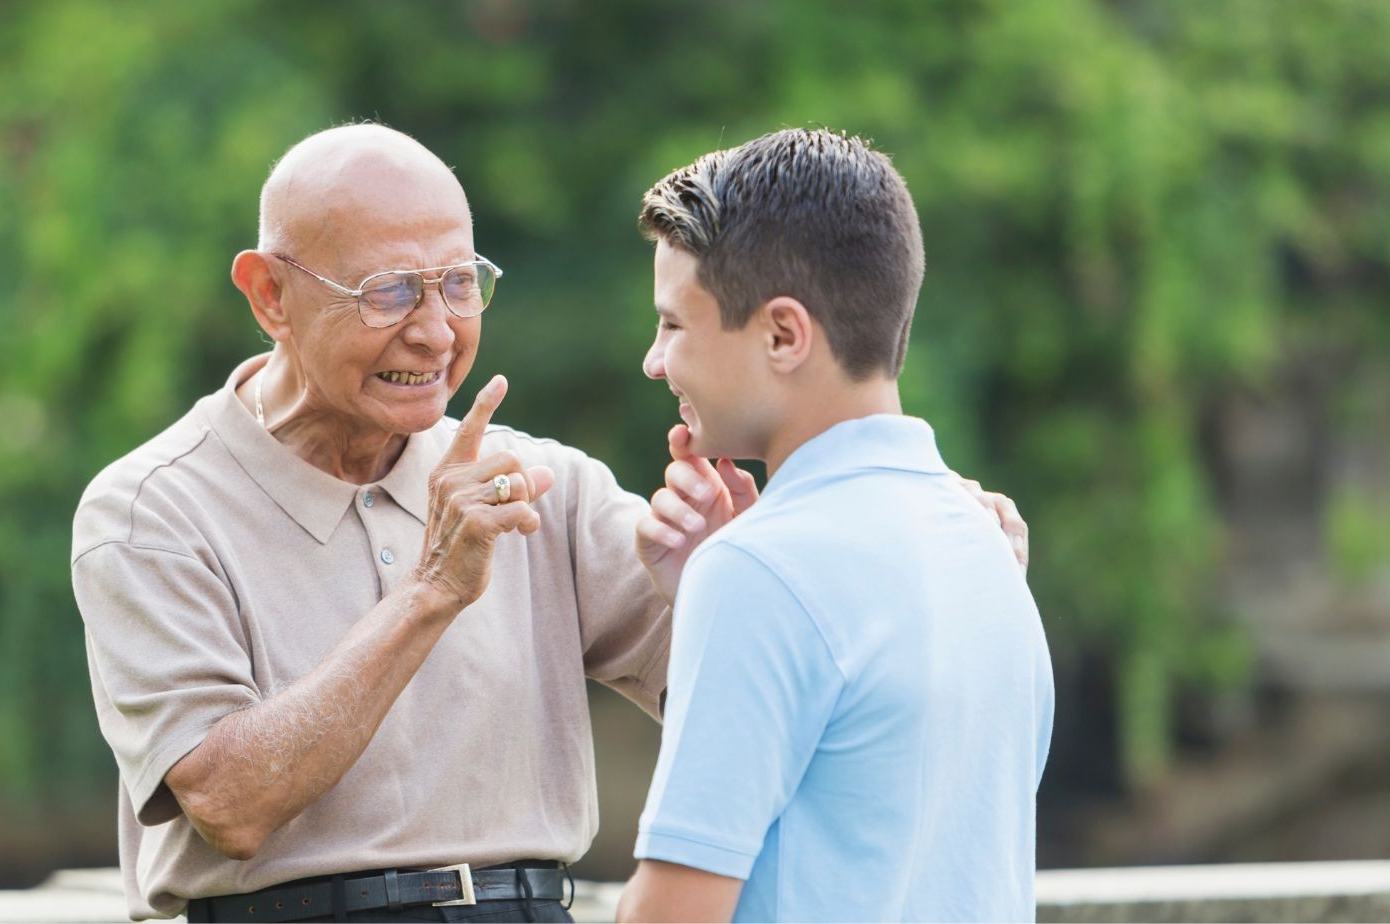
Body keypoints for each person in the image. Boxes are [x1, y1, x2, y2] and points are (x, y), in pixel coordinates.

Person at [70, 123, 1030, 923]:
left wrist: (750, 573)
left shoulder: (545, 482)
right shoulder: (150, 510)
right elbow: (227, 805)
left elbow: (768, 698)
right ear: (269, 294)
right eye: (391, 291)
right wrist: (430, 595)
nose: (437, 330)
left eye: (459, 283)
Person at [616, 129, 1054, 923]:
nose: (655, 360)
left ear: (783, 334)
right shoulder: (993, 550)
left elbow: (670, 915)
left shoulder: (757, 571)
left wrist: (732, 586)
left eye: (674, 325)